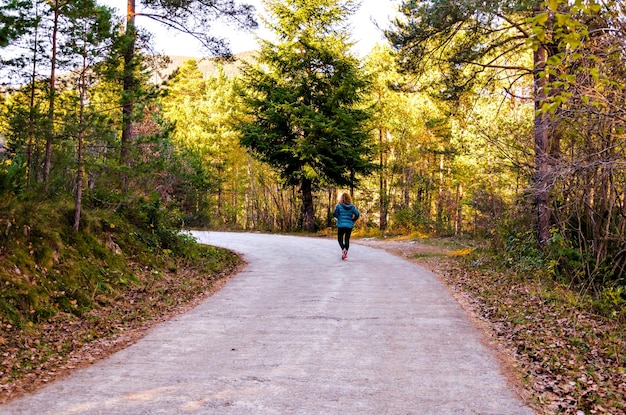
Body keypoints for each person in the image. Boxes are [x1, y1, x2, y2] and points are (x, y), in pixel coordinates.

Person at [333, 192, 360, 260]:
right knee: (347, 239)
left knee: (340, 239)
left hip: (341, 225)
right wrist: (353, 220)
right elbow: (357, 214)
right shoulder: (352, 207)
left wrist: (338, 217)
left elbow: (334, 214)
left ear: (341, 198)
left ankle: (343, 249)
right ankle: (346, 251)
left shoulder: (338, 206)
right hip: (349, 225)